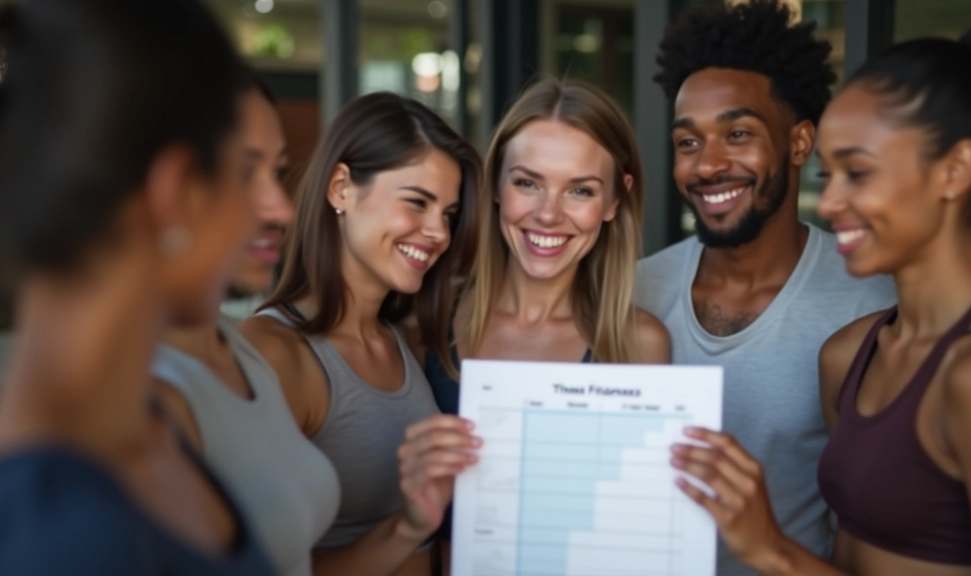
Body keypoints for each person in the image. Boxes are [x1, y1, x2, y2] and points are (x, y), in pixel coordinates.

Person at [671, 21, 971, 576]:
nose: (830, 202)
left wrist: (771, 549)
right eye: (828, 175)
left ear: (955, 170)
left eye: (857, 173)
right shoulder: (850, 353)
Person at [0, 1, 273, 574]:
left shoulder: (145, 425)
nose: (270, 212)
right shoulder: (54, 537)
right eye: (243, 175)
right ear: (176, 192)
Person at [633, 1, 895, 573]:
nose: (707, 165)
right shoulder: (636, 292)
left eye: (739, 133)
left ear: (800, 144)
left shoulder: (874, 305)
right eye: (688, 142)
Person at [420, 77, 671, 563]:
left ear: (615, 202)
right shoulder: (427, 319)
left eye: (580, 190)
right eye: (528, 183)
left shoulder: (638, 344)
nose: (549, 214)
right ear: (496, 185)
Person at [241, 91, 483, 576]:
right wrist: (408, 527)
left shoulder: (408, 340)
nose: (438, 232)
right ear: (340, 188)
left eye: (449, 215)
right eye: (417, 202)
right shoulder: (276, 353)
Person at [149, 73, 339, 576]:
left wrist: (408, 524)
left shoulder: (239, 349)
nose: (282, 208)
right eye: (242, 173)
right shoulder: (144, 399)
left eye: (277, 173)